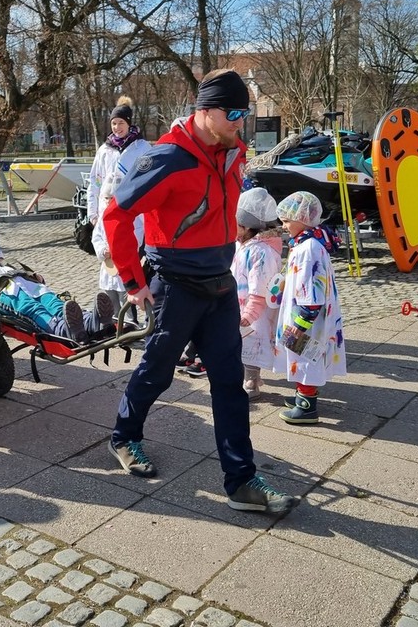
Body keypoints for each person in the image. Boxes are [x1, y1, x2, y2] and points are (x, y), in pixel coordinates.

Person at [102, 68, 296, 514]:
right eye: (233, 114)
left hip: (220, 284)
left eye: (244, 113)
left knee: (229, 384)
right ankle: (124, 437)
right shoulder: (168, 157)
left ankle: (241, 481)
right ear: (205, 111)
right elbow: (115, 215)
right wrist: (132, 282)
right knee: (157, 372)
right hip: (175, 287)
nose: (240, 122)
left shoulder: (233, 151)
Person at [273, 191, 347, 425]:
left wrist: (301, 321)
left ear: (302, 219)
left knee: (306, 355)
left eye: (287, 221)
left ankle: (307, 407)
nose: (284, 226)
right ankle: (302, 395)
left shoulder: (309, 249)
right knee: (300, 354)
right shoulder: (305, 244)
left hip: (307, 316)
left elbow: (312, 289)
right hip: (304, 313)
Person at [0, 235, 114, 342]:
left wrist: (32, 275)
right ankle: (63, 330)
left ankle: (92, 322)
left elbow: (14, 270)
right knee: (33, 309)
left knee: (55, 304)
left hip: (28, 285)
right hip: (3, 293)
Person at [88, 96, 150, 334]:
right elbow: (95, 183)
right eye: (113, 123)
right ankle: (115, 318)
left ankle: (133, 315)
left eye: (121, 123)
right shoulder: (105, 150)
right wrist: (93, 213)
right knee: (110, 266)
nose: (117, 127)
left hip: (134, 215)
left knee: (131, 263)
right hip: (107, 212)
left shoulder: (142, 148)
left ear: (129, 123)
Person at [229, 187, 283, 399]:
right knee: (242, 342)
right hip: (240, 303)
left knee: (253, 342)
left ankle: (251, 381)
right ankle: (245, 375)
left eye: (235, 223)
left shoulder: (262, 252)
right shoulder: (243, 244)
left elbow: (259, 287)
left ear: (247, 226)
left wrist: (250, 314)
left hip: (254, 310)